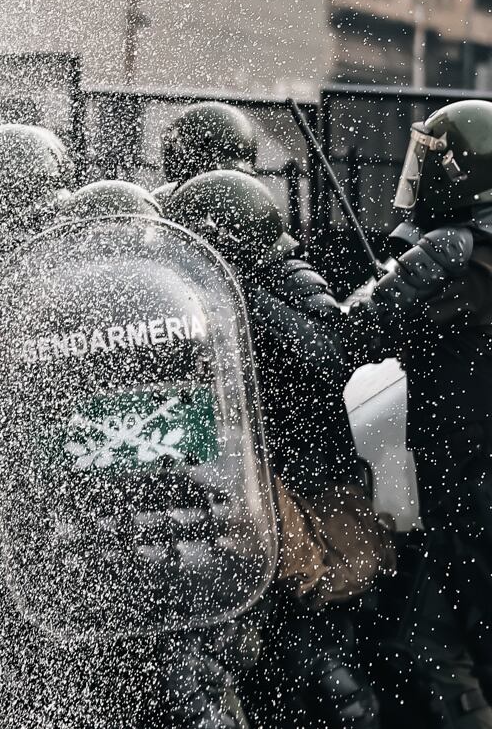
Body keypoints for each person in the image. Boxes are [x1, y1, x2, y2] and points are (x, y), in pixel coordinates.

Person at [166, 170, 390, 728]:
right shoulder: (258, 286)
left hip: (310, 501)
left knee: (312, 664)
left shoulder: (271, 295)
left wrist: (239, 300)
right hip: (272, 493)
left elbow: (327, 362)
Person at [340, 100, 492, 728]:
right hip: (469, 481)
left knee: (427, 645)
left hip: (473, 491)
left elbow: (350, 335)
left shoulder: (451, 250)